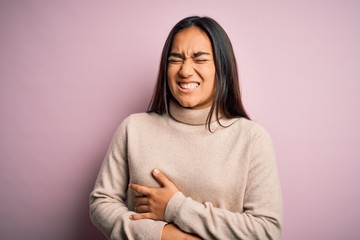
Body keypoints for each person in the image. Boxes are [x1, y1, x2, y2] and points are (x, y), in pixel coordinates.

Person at [89, 16, 283, 240]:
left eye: (199, 59)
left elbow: (267, 230)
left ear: (222, 67)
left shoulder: (251, 138)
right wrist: (164, 236)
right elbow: (101, 203)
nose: (185, 70)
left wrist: (175, 207)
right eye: (176, 59)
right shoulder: (133, 128)